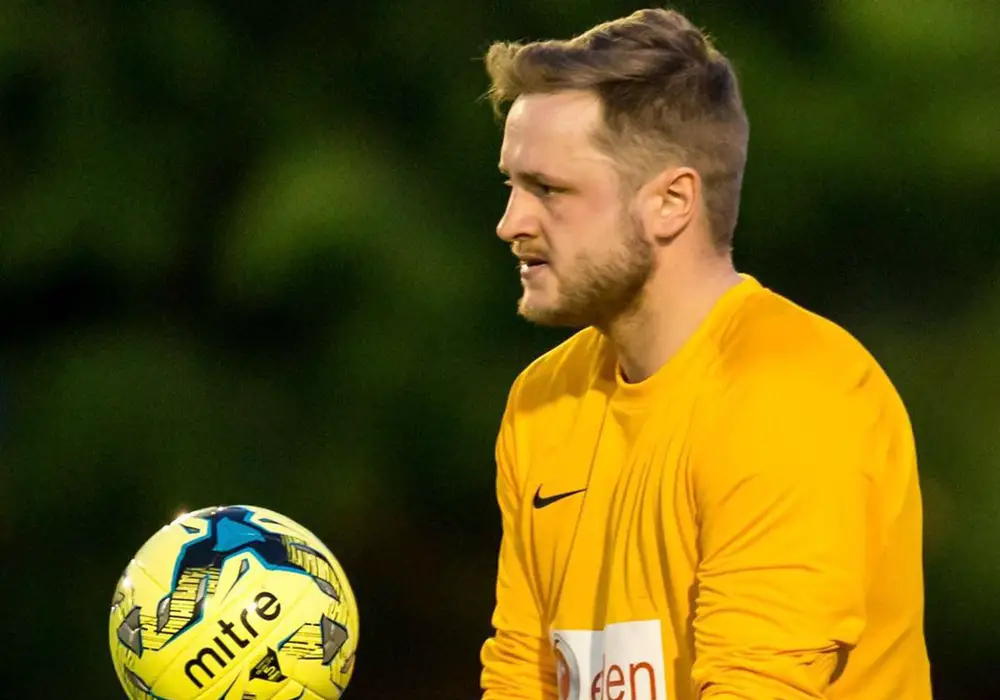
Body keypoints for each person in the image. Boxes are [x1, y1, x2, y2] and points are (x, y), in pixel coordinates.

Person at [478, 8, 932, 700]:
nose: (511, 223)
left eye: (548, 189)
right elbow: (521, 675)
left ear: (671, 202)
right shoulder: (543, 400)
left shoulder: (793, 395)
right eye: (511, 184)